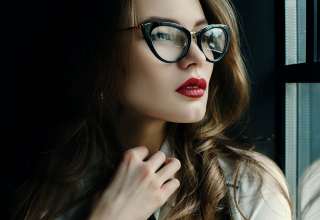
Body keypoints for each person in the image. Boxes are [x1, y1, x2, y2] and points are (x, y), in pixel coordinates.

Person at [13, 0, 293, 219]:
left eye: (203, 35)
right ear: (104, 53)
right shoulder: (49, 186)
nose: (197, 57)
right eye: (165, 34)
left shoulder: (247, 187)